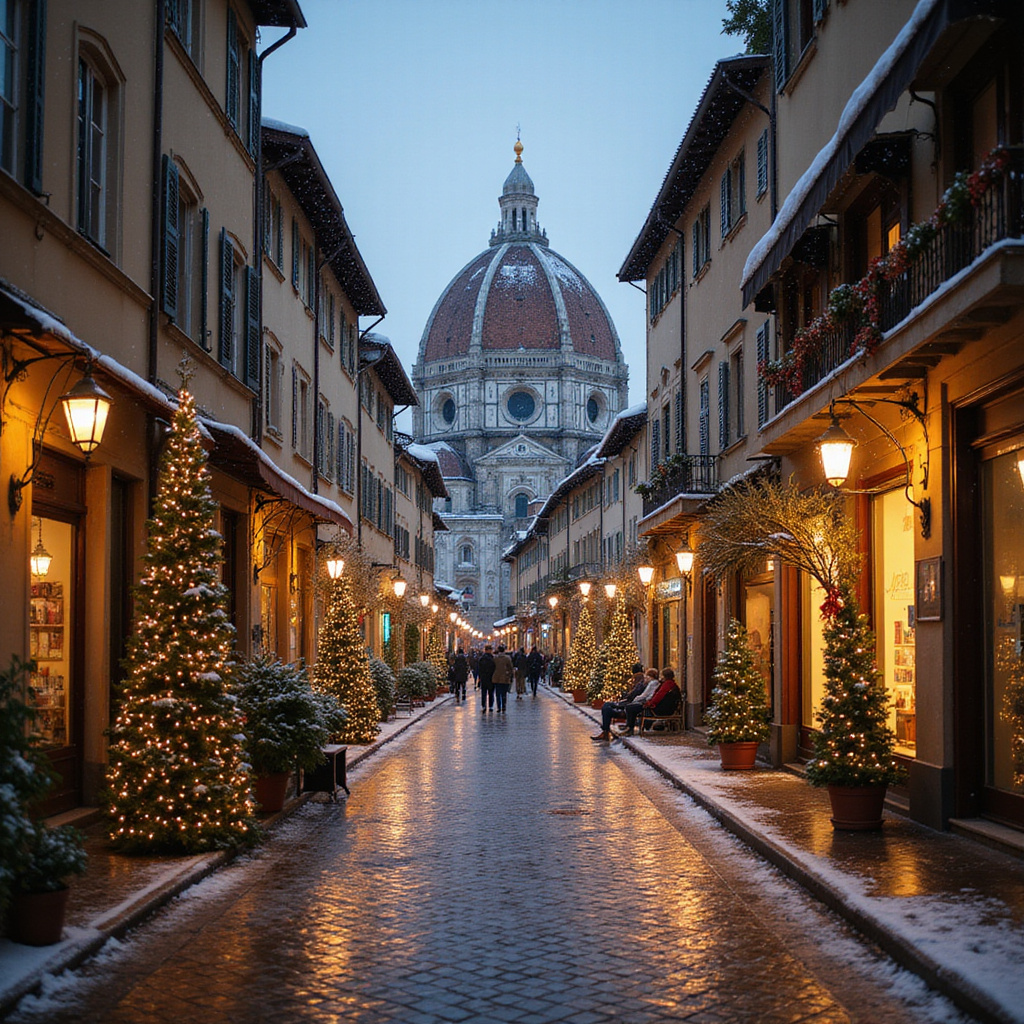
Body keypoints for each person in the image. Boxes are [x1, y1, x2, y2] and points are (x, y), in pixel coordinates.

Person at [591, 665, 656, 741]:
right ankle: (605, 732)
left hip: (629, 705)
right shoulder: (642, 684)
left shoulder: (649, 685)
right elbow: (632, 694)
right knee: (606, 706)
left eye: (647, 677)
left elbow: (641, 696)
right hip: (627, 702)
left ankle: (605, 732)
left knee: (607, 708)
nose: (645, 678)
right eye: (645, 676)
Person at [617, 668, 679, 737]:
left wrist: (649, 704)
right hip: (658, 706)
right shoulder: (669, 684)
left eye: (661, 675)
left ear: (665, 676)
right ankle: (629, 727)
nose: (660, 677)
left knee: (630, 708)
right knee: (631, 707)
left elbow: (659, 696)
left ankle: (630, 729)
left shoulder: (667, 685)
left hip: (658, 708)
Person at [492, 644, 514, 713]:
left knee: (498, 693)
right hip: (505, 678)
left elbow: (492, 667)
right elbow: (510, 668)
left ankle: (499, 707)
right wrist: (510, 675)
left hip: (496, 678)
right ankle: (504, 706)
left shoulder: (495, 658)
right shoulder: (507, 658)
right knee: (504, 693)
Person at [478, 644, 496, 711]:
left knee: (484, 692)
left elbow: (479, 669)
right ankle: (491, 705)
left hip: (483, 677)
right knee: (491, 692)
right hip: (491, 677)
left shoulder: (481, 659)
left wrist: (479, 677)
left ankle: (484, 705)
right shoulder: (492, 658)